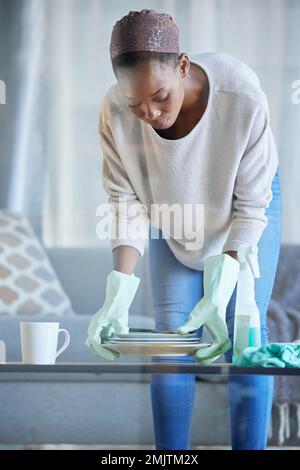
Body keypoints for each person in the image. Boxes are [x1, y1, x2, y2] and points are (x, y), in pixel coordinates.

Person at [85, 9, 281, 450]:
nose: (149, 112)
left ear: (183, 66)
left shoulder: (240, 94)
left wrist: (223, 280)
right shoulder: (115, 112)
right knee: (170, 338)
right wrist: (120, 284)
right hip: (170, 217)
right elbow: (124, 202)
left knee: (244, 333)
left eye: (159, 96)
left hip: (244, 208)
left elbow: (252, 205)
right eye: (135, 103)